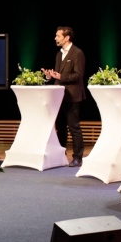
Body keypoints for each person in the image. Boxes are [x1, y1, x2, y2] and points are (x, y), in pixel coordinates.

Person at [41, 26, 86, 167]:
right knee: (60, 127)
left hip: (73, 96)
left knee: (74, 127)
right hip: (60, 96)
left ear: (67, 38)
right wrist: (50, 76)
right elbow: (58, 76)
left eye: (58, 36)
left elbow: (78, 75)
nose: (55, 38)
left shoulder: (77, 53)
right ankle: (61, 155)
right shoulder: (59, 54)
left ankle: (78, 157)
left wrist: (61, 76)